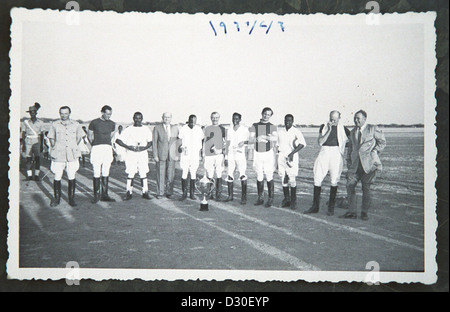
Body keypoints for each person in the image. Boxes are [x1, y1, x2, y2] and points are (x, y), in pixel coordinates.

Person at [340, 110, 386, 220]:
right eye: (355, 118)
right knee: (349, 186)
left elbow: (382, 142)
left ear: (365, 119)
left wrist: (375, 151)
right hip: (355, 166)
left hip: (369, 165)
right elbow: (350, 148)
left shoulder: (373, 128)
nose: (356, 120)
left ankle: (364, 212)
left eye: (358, 118)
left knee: (366, 189)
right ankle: (352, 212)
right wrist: (349, 162)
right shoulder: (352, 132)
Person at [304, 110, 350, 216]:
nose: (333, 120)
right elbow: (320, 142)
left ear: (339, 118)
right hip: (324, 152)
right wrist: (329, 129)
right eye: (331, 118)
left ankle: (331, 208)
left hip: (336, 154)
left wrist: (341, 147)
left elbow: (351, 141)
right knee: (317, 177)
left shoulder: (344, 129)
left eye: (335, 119)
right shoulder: (323, 127)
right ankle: (315, 206)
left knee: (334, 180)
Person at [47, 106, 86, 207]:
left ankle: (71, 199)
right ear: (59, 113)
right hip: (59, 154)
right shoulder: (55, 124)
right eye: (61, 113)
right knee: (57, 175)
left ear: (69, 113)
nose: (64, 115)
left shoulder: (76, 125)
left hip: (72, 154)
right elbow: (51, 138)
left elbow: (79, 138)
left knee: (71, 175)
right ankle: (56, 199)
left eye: (66, 113)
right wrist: (55, 147)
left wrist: (73, 146)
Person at [116, 112, 153, 200]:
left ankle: (145, 192)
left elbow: (150, 142)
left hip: (142, 153)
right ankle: (129, 192)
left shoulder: (146, 129)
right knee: (131, 172)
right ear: (133, 118)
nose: (137, 120)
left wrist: (144, 148)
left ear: (142, 119)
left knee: (143, 172)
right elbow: (118, 140)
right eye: (136, 118)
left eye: (139, 118)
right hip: (131, 153)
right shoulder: (129, 129)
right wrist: (129, 147)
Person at [249, 107, 278, 207]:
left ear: (270, 116)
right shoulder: (255, 125)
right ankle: (260, 197)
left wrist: (265, 137)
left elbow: (275, 138)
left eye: (269, 114)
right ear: (262, 113)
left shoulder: (272, 126)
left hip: (268, 153)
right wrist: (257, 138)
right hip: (258, 153)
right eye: (265, 114)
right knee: (259, 175)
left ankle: (270, 198)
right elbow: (251, 139)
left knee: (269, 174)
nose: (266, 116)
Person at [277, 114, 306, 210]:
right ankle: (286, 199)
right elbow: (277, 145)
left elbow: (302, 144)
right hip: (282, 156)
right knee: (283, 177)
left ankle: (293, 201)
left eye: (289, 121)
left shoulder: (296, 131)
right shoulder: (280, 132)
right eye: (286, 120)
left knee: (292, 177)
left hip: (291, 156)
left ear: (292, 121)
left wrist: (292, 153)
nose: (287, 122)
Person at [88, 106, 116, 203]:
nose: (109, 116)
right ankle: (96, 195)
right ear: (102, 112)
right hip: (96, 148)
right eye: (107, 114)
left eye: (110, 114)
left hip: (107, 148)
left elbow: (111, 136)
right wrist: (95, 144)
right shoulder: (94, 122)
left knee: (106, 171)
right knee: (96, 171)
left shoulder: (112, 124)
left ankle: (105, 195)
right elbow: (89, 136)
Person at [224, 113, 250, 204]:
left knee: (242, 174)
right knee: (230, 174)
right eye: (234, 118)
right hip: (231, 154)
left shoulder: (244, 129)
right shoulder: (229, 130)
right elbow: (227, 143)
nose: (235, 120)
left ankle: (244, 197)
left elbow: (249, 140)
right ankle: (230, 195)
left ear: (240, 119)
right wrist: (226, 157)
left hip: (240, 154)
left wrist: (244, 142)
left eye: (237, 119)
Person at [177, 115, 204, 201]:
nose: (192, 123)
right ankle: (184, 193)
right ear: (188, 120)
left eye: (194, 121)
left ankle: (192, 193)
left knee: (193, 173)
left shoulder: (198, 129)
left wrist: (201, 153)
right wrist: (180, 147)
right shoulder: (183, 129)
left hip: (195, 154)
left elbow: (202, 140)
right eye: (191, 121)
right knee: (184, 172)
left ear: (196, 121)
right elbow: (179, 140)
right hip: (185, 154)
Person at [152, 112, 179, 199]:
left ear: (171, 118)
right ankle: (160, 192)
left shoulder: (174, 128)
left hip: (171, 155)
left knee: (171, 174)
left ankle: (169, 192)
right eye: (165, 117)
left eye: (168, 117)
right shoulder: (157, 128)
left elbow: (177, 142)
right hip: (161, 155)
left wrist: (177, 154)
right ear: (162, 118)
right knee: (160, 173)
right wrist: (155, 155)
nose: (167, 119)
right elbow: (154, 142)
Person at [203, 112, 226, 201]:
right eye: (213, 117)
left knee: (219, 173)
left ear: (219, 118)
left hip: (219, 155)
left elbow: (226, 143)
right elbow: (204, 142)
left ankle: (218, 194)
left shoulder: (222, 129)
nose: (215, 119)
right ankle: (210, 192)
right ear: (210, 118)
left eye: (216, 117)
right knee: (210, 174)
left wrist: (221, 151)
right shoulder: (207, 128)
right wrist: (203, 154)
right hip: (209, 155)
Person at [21, 102, 44, 181]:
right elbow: (23, 133)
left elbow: (42, 135)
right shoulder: (26, 122)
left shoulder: (40, 122)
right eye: (31, 113)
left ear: (36, 113)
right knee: (28, 159)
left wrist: (41, 145)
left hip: (37, 141)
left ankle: (37, 175)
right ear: (29, 113)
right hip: (28, 141)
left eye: (33, 112)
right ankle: (29, 175)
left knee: (37, 158)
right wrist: (23, 144)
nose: (32, 114)